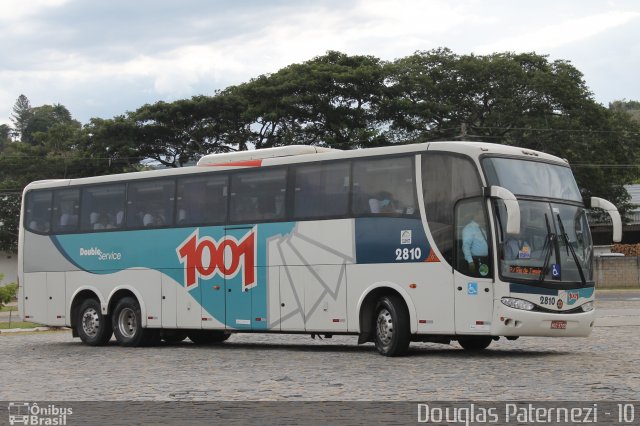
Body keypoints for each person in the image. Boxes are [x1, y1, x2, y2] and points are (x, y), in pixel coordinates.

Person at [462, 209, 489, 275]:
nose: (484, 216)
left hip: (485, 261)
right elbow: (466, 246)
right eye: (481, 214)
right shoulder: (469, 228)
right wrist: (470, 261)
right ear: (476, 215)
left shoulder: (481, 228)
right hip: (476, 262)